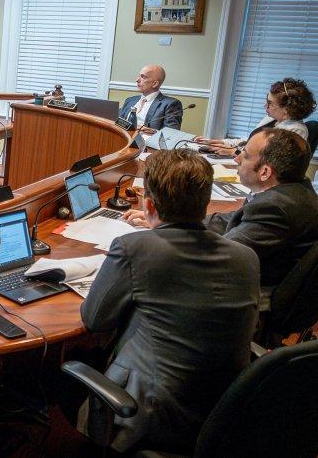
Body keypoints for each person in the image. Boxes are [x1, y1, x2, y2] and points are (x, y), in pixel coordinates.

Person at [81, 149, 259, 453]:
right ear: (205, 204)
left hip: (149, 411)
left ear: (149, 205)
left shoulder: (134, 247)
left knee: (64, 367)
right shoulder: (246, 258)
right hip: (222, 409)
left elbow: (95, 320)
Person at [202, 129, 318, 286]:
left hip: (255, 291)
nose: (237, 159)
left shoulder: (275, 207)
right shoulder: (292, 188)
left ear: (265, 172)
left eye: (246, 155)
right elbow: (228, 220)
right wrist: (174, 219)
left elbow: (220, 257)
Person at [196, 78, 314, 154]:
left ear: (287, 110)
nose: (265, 105)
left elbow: (270, 159)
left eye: (270, 103)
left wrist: (234, 152)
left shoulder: (297, 130)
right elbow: (251, 141)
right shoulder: (271, 118)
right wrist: (224, 143)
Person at [118, 65, 183, 131]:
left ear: (155, 84)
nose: (137, 80)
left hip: (145, 140)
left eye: (143, 77)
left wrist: (152, 131)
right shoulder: (130, 100)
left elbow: (170, 134)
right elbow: (117, 122)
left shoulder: (170, 104)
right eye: (139, 76)